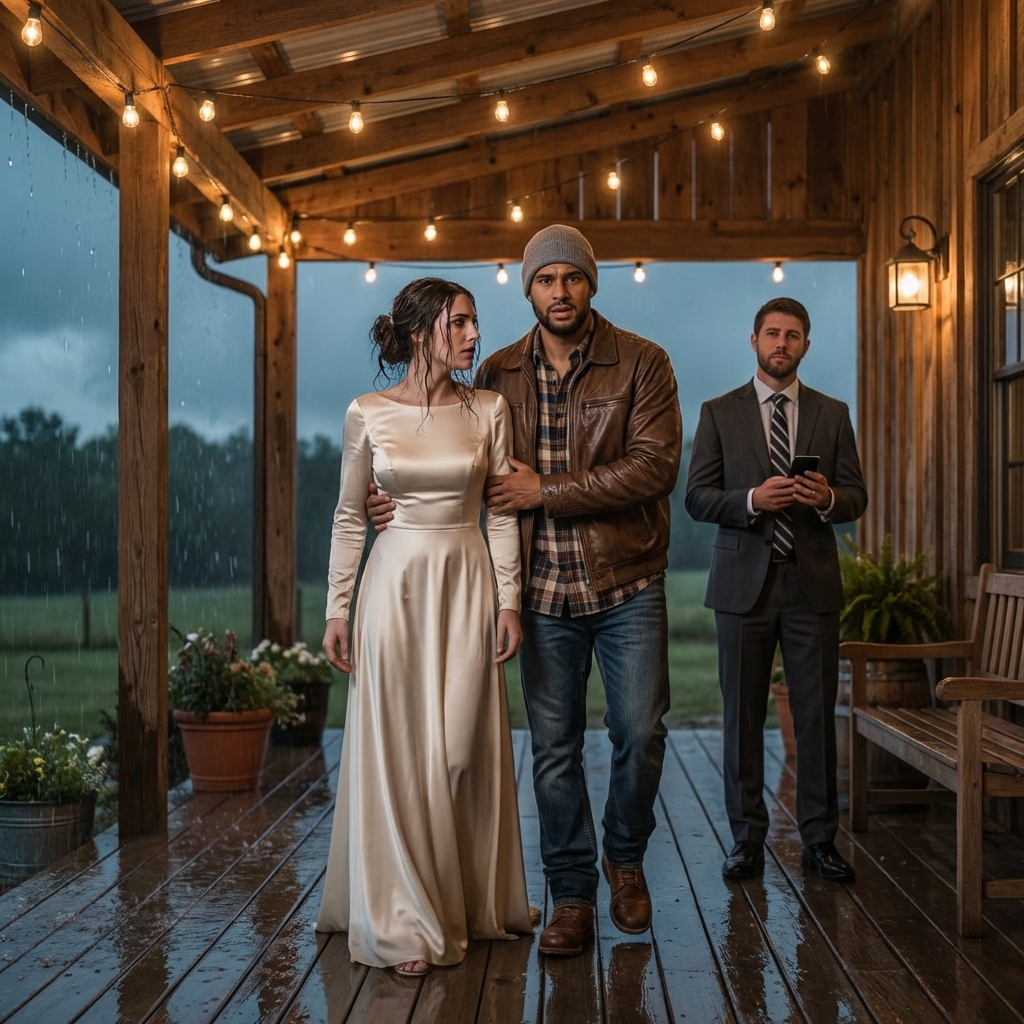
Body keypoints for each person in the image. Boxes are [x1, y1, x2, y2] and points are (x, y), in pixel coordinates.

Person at [368, 226, 681, 957]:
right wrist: (394, 502)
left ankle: (624, 854)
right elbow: (449, 453)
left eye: (572, 278)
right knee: (552, 751)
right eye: (546, 280)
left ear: (591, 284)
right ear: (529, 290)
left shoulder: (644, 362)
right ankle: (569, 894)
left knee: (641, 732)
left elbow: (655, 467)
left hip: (627, 580)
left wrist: (549, 490)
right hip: (541, 592)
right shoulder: (498, 372)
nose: (559, 292)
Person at [318, 278, 532, 976]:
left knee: (459, 751)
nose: (474, 335)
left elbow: (501, 513)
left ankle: (465, 900)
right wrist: (337, 609)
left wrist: (509, 600)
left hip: (467, 585)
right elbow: (350, 515)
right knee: (402, 756)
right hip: (393, 591)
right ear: (421, 332)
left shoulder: (489, 410)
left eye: (474, 322)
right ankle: (405, 920)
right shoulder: (366, 413)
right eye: (459, 323)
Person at [685, 297, 867, 883]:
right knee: (741, 718)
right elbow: (696, 497)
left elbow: (857, 496)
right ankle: (746, 842)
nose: (781, 343)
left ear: (806, 345)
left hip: (812, 583)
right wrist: (751, 500)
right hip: (743, 585)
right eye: (771, 333)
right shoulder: (718, 412)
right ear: (754, 341)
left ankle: (819, 842)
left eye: (792, 335)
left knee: (815, 718)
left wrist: (828, 499)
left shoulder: (833, 414)